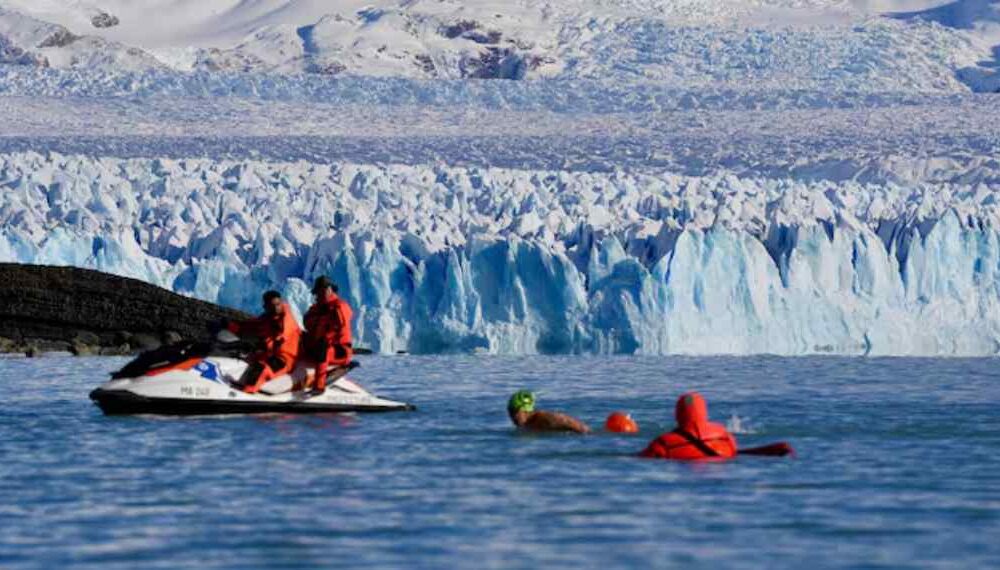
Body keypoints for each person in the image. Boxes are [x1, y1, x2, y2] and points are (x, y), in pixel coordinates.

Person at [226, 290, 301, 393]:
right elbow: (250, 326)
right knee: (240, 359)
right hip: (269, 354)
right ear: (265, 307)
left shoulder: (287, 318)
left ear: (281, 302)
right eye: (272, 306)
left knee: (262, 368)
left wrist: (274, 341)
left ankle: (248, 393)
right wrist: (229, 326)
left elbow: (284, 332)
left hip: (284, 358)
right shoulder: (267, 318)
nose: (276, 308)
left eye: (278, 304)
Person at [640, 392, 738, 460]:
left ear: (677, 414)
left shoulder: (663, 444)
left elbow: (645, 457)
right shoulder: (725, 436)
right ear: (705, 412)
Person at [299, 276, 354, 393]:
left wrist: (326, 315)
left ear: (330, 290)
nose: (321, 293)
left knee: (322, 346)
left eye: (324, 289)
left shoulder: (340, 306)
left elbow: (341, 322)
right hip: (319, 346)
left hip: (339, 350)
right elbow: (307, 323)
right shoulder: (315, 309)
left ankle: (319, 386)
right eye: (319, 291)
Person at [507, 390, 590, 434]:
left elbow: (582, 428)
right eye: (510, 412)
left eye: (515, 412)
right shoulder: (526, 425)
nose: (512, 417)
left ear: (526, 411)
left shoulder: (546, 418)